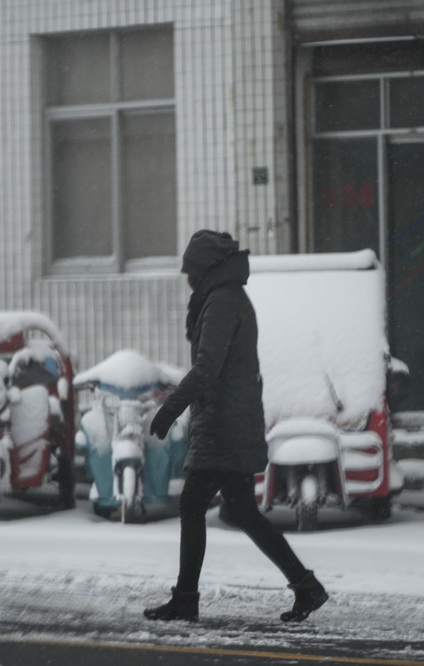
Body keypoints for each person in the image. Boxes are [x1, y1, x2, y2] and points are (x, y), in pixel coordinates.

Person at [144, 229, 328, 623]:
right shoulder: (223, 297)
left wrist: (170, 408)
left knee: (194, 504)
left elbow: (207, 367)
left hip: (224, 424)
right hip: (228, 420)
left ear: (206, 270)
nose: (188, 279)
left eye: (191, 271)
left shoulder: (223, 300)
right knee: (242, 510)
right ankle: (305, 586)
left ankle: (186, 599)